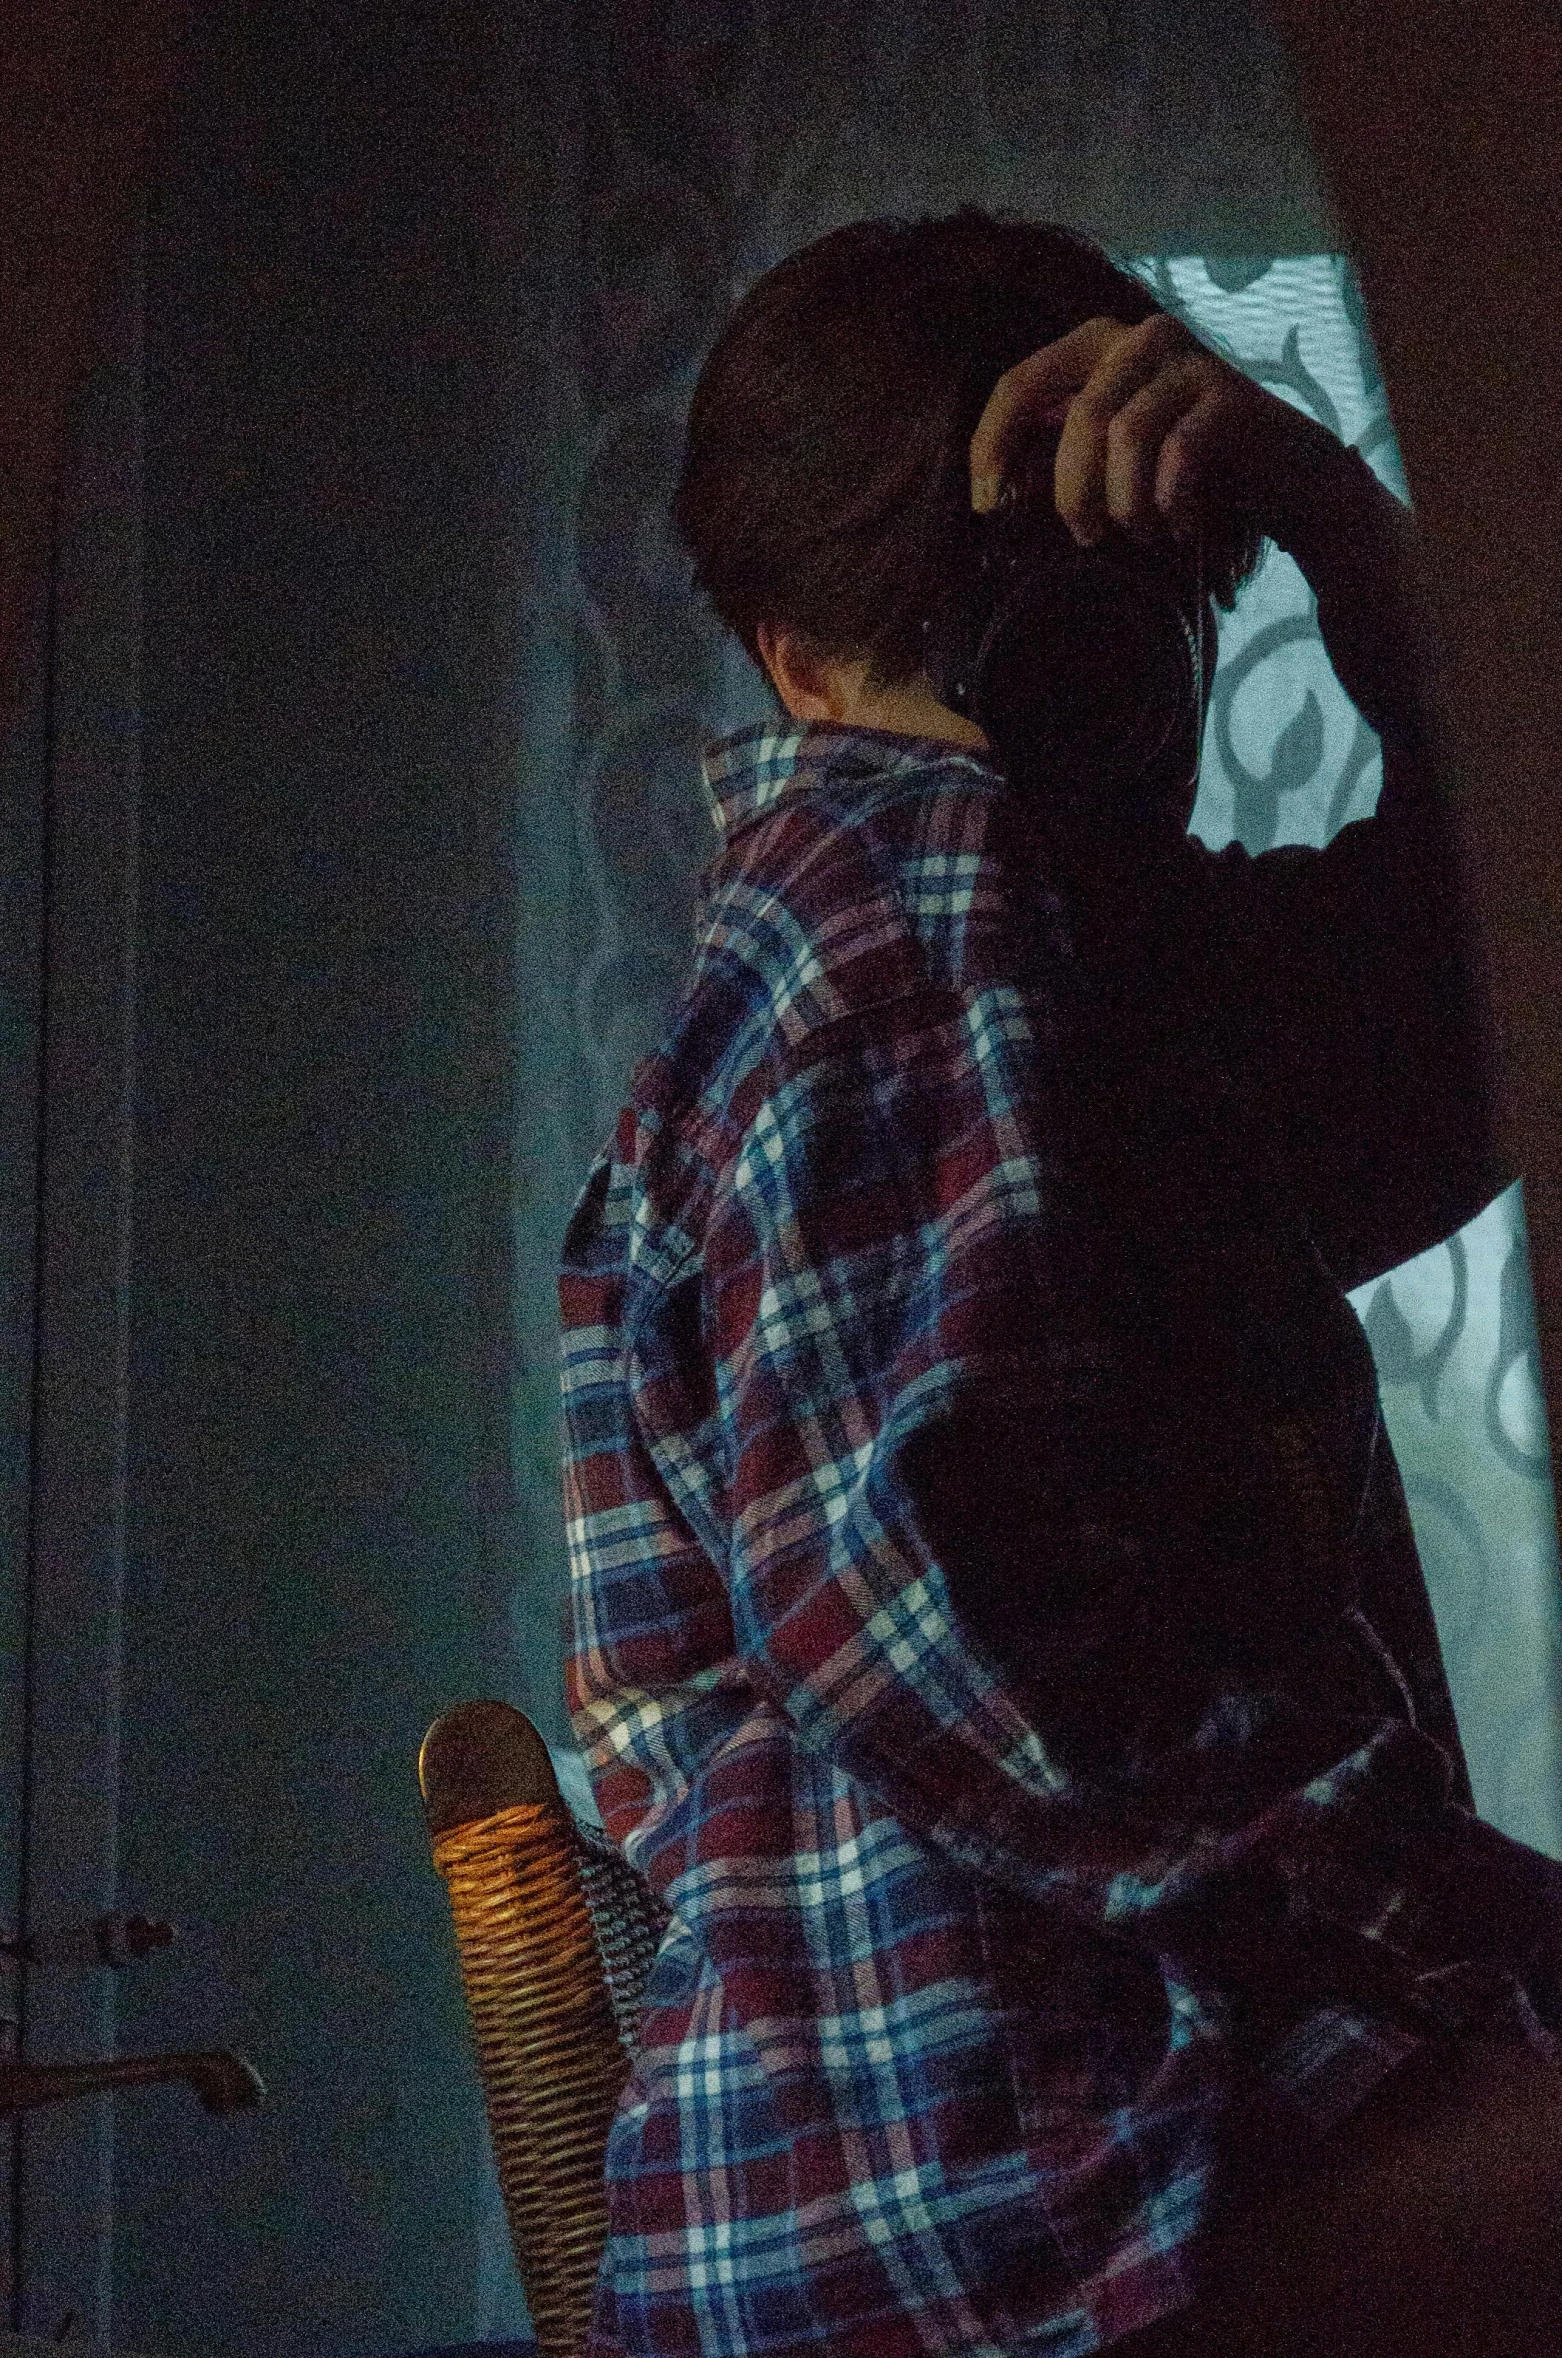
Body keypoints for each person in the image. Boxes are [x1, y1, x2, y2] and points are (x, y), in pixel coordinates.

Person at [557, 209, 1562, 2358]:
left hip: (1059, 2130)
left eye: (1122, 617)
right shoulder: (913, 939)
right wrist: (1448, 1920)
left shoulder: (1094, 971)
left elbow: (1492, 997)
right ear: (790, 663)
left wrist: (1333, 519)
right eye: (983, 632)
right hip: (1007, 2170)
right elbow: (947, 1634)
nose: (1075, 701)